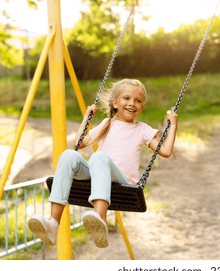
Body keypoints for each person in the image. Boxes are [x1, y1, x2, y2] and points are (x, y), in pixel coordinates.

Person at [28, 78, 178, 248]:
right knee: (69, 155)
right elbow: (79, 143)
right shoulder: (107, 123)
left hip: (122, 180)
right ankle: (53, 224)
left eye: (138, 100)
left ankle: (100, 220)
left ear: (142, 106)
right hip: (98, 173)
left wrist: (173, 124)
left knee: (99, 157)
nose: (132, 103)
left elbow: (165, 151)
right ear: (115, 103)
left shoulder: (142, 129)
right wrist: (87, 116)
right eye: (126, 98)